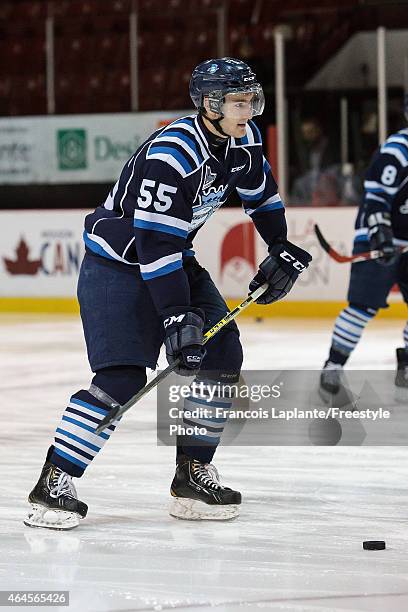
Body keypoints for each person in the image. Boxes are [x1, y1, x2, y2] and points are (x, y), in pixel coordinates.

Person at [24, 57, 311, 530]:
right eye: (238, 102)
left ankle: (191, 474)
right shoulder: (173, 154)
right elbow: (154, 242)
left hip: (173, 258)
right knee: (122, 377)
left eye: (251, 100)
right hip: (118, 268)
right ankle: (54, 481)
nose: (248, 110)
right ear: (209, 104)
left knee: (222, 354)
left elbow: (263, 197)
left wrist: (279, 246)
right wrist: (177, 316)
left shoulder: (245, 140)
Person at [320, 97, 408, 402]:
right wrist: (381, 236)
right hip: (375, 236)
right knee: (362, 306)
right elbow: (376, 200)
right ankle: (333, 366)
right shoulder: (397, 150)